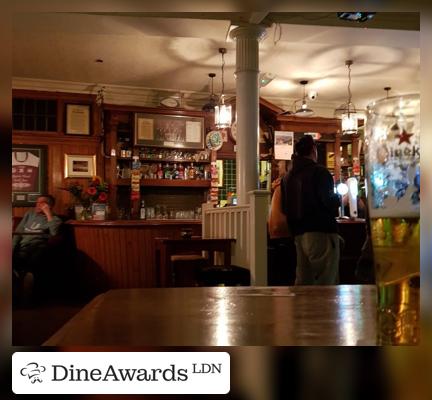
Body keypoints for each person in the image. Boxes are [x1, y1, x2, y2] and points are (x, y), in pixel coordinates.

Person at [280, 135, 341, 285]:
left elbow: (284, 207)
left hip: (297, 235)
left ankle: (302, 310)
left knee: (303, 284)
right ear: (313, 149)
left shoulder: (287, 178)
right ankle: (325, 310)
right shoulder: (320, 172)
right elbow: (328, 202)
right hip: (321, 232)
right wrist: (339, 199)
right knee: (326, 281)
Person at [13, 194, 63, 302]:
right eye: (37, 202)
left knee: (36, 256)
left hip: (38, 246)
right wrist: (11, 248)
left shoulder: (55, 219)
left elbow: (54, 233)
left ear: (49, 205)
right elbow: (18, 233)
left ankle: (26, 283)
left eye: (41, 203)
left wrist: (48, 213)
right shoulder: (29, 214)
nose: (37, 205)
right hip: (22, 246)